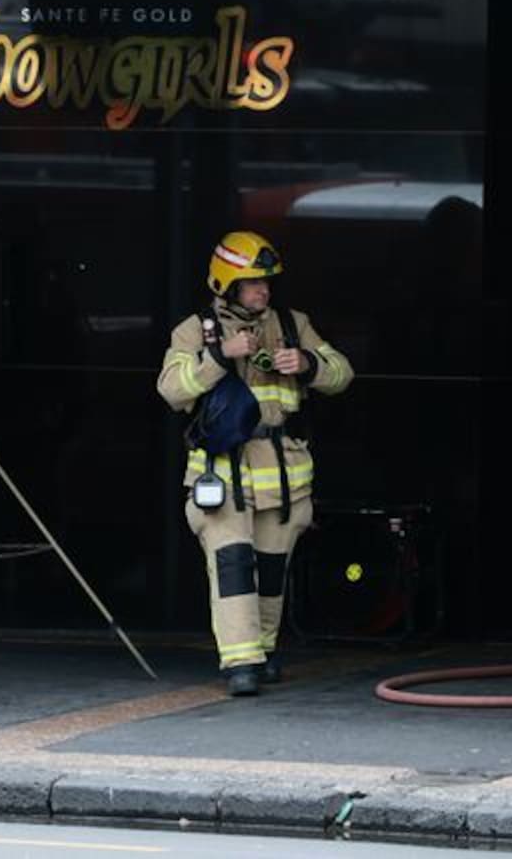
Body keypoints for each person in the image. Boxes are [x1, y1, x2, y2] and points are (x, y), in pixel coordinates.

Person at [157, 231, 353, 696]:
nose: (262, 290)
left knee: (270, 569)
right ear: (227, 284)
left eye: (266, 282)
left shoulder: (293, 323)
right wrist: (218, 357)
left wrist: (307, 363)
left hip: (284, 480)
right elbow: (171, 389)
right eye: (251, 283)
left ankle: (261, 652)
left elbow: (341, 373)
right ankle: (240, 663)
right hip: (224, 477)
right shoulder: (195, 330)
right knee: (233, 564)